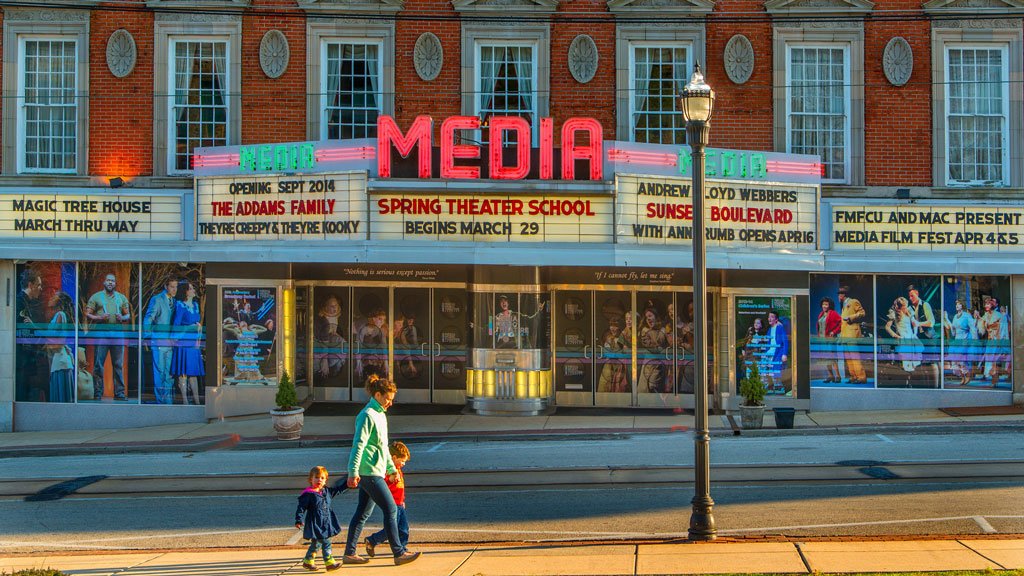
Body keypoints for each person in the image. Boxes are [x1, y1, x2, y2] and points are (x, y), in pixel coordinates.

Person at [342, 375, 420, 566]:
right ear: (377, 395)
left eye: (392, 399)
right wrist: (353, 472)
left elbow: (383, 447)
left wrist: (392, 469)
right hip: (369, 472)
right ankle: (398, 553)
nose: (390, 403)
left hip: (376, 470)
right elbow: (358, 445)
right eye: (388, 399)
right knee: (391, 509)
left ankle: (349, 553)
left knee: (362, 513)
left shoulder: (380, 415)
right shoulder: (367, 415)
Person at [85, 273, 131, 401]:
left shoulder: (121, 297)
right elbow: (87, 313)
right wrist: (99, 317)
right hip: (102, 333)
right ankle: (98, 393)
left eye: (112, 281)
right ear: (104, 282)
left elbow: (128, 315)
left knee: (118, 364)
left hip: (117, 333)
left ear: (115, 284)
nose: (110, 282)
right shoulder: (96, 296)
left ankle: (119, 393)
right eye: (108, 280)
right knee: (98, 364)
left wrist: (122, 317)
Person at [364, 441, 411, 558]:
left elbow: (400, 487)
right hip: (392, 503)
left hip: (399, 503)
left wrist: (403, 500)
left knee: (403, 528)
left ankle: (403, 548)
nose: (404, 463)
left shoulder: (398, 469)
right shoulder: (387, 470)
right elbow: (383, 485)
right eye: (402, 460)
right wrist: (390, 480)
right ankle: (373, 540)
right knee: (391, 529)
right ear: (394, 458)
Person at [295, 466, 346, 572]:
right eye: (316, 477)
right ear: (311, 479)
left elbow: (338, 490)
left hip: (326, 522)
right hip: (315, 523)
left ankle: (308, 561)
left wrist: (348, 483)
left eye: (322, 478)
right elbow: (301, 508)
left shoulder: (326, 491)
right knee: (326, 541)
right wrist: (298, 519)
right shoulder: (308, 494)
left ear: (326, 480)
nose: (319, 480)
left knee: (316, 543)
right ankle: (329, 562)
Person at [143, 277, 177, 404]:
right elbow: (148, 318)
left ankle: (168, 401)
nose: (174, 289)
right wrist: (148, 337)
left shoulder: (174, 301)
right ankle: (160, 402)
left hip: (170, 343)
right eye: (172, 287)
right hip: (158, 341)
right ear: (166, 287)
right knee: (159, 372)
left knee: (168, 373)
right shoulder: (157, 299)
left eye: (176, 287)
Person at [171, 281, 204, 404]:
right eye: (190, 288)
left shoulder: (195, 305)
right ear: (185, 292)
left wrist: (198, 337)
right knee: (183, 373)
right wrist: (189, 327)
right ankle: (185, 401)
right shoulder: (180, 305)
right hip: (183, 343)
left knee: (193, 373)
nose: (193, 290)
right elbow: (177, 325)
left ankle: (197, 401)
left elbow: (198, 324)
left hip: (194, 343)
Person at [15, 269, 44, 402]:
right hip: (23, 357)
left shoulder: (26, 302)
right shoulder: (20, 302)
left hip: (27, 356)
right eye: (39, 285)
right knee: (22, 389)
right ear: (30, 285)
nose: (41, 288)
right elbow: (23, 328)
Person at [46, 291, 76, 403]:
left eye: (54, 296)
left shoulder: (60, 315)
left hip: (60, 359)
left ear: (59, 301)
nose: (51, 297)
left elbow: (59, 338)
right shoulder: (57, 315)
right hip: (58, 357)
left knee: (60, 394)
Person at [884, 297, 922, 378]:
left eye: (906, 306)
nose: (906, 308)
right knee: (905, 362)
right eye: (904, 307)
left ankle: (912, 379)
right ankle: (906, 379)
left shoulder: (909, 311)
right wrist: (896, 336)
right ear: (899, 307)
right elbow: (887, 327)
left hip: (910, 338)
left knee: (914, 361)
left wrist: (915, 333)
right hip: (903, 339)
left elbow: (914, 323)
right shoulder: (894, 314)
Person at [943, 299, 978, 386]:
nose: (957, 306)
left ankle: (967, 375)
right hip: (957, 339)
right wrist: (947, 320)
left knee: (962, 360)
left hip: (964, 339)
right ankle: (962, 376)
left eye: (959, 304)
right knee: (955, 361)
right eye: (956, 304)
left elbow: (973, 328)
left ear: (962, 306)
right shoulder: (955, 316)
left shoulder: (967, 316)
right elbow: (953, 330)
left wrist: (974, 341)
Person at [838, 286, 867, 384]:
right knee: (848, 357)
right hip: (845, 334)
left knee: (854, 356)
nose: (838, 296)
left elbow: (862, 313)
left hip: (852, 333)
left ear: (843, 294)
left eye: (839, 294)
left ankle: (861, 377)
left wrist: (851, 317)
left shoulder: (853, 301)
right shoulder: (844, 305)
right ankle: (854, 376)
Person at [977, 297, 1009, 387]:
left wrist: (1003, 343)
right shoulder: (986, 315)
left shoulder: (999, 315)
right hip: (990, 341)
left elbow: (1004, 330)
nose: (986, 306)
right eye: (985, 304)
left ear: (992, 305)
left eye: (988, 304)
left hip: (997, 340)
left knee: (995, 361)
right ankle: (993, 380)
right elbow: (982, 329)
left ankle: (995, 381)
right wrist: (979, 319)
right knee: (989, 360)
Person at [314, 295, 347, 379]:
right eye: (332, 306)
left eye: (336, 305)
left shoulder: (335, 317)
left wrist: (342, 340)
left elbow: (333, 332)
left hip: (329, 342)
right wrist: (324, 361)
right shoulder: (324, 320)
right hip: (319, 345)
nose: (335, 308)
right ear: (325, 307)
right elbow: (323, 342)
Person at [637, 307, 668, 393]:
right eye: (647, 317)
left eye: (650, 316)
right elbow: (650, 345)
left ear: (656, 316)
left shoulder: (663, 329)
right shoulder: (645, 330)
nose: (648, 319)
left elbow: (666, 343)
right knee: (646, 388)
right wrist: (660, 348)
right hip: (649, 363)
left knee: (656, 388)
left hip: (660, 364)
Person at [597, 316, 629, 393]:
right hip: (608, 365)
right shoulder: (608, 337)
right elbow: (606, 352)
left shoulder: (623, 337)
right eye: (611, 325)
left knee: (618, 387)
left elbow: (626, 352)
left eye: (616, 326)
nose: (613, 328)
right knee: (605, 385)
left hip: (619, 366)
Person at [763, 310, 790, 394]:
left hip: (777, 353)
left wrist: (784, 354)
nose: (769, 318)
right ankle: (767, 387)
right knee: (764, 370)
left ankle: (779, 388)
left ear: (776, 319)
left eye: (772, 317)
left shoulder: (780, 327)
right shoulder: (769, 329)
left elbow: (785, 341)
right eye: (769, 317)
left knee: (775, 370)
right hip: (769, 353)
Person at [817, 297, 843, 383]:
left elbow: (841, 323)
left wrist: (834, 332)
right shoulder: (821, 314)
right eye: (823, 304)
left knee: (832, 357)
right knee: (825, 358)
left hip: (830, 339)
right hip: (822, 340)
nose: (824, 306)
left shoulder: (833, 313)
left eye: (826, 304)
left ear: (829, 305)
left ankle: (838, 376)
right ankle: (830, 375)